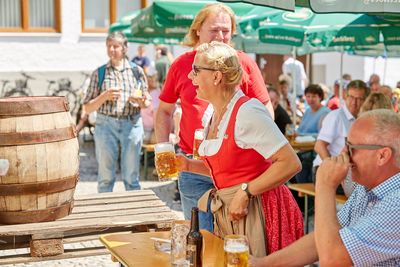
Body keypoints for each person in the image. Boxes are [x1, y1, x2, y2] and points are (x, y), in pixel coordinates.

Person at [155, 3, 274, 231]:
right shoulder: (182, 65)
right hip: (194, 165)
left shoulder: (244, 63)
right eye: (214, 30)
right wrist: (163, 149)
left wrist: (256, 154)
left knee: (235, 236)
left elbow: (265, 109)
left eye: (226, 30)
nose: (220, 36)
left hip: (235, 168)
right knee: (202, 238)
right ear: (197, 29)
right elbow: (164, 110)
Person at [178, 41, 303, 257]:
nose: (191, 77)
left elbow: (291, 163)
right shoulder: (215, 113)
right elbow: (227, 168)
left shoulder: (247, 111)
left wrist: (246, 192)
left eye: (196, 70)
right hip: (232, 210)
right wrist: (188, 164)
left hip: (259, 210)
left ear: (217, 76)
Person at [251, 109, 400, 267]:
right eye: (345, 144)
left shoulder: (396, 203)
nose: (343, 152)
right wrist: (262, 264)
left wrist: (325, 186)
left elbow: (332, 259)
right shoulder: (367, 188)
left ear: (382, 156)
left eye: (351, 148)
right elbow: (324, 239)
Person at [83, 32, 151, 192]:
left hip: (132, 123)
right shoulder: (99, 73)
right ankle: (106, 214)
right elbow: (87, 108)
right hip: (106, 124)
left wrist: (141, 101)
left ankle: (133, 214)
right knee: (106, 178)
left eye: (116, 46)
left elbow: (147, 101)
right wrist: (104, 96)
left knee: (131, 178)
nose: (111, 49)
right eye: (109, 46)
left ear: (125, 48)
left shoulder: (137, 71)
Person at [313, 80, 369, 183]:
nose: (354, 102)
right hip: (325, 170)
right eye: (351, 97)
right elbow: (319, 146)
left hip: (349, 172)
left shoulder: (363, 119)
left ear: (365, 100)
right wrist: (332, 168)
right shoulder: (336, 116)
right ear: (345, 96)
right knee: (362, 189)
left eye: (359, 98)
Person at [141, 68, 161, 144]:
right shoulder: (145, 92)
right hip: (143, 129)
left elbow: (157, 116)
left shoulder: (155, 94)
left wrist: (156, 132)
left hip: (149, 131)